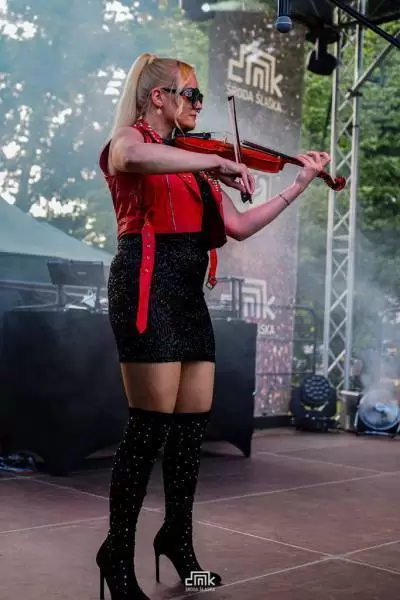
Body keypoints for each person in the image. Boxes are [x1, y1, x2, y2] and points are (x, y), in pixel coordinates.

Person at [96, 52, 330, 600]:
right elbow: (130, 157)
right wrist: (210, 162)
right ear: (159, 97)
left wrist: (299, 184)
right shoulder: (131, 142)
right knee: (148, 429)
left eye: (200, 96)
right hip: (146, 286)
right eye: (191, 94)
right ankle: (116, 553)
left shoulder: (194, 164)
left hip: (188, 296)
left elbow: (239, 226)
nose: (199, 105)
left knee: (190, 431)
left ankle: (177, 539)